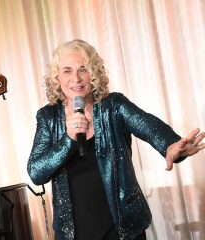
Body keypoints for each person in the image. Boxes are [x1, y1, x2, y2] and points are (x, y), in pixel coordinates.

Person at [27, 39, 205, 240]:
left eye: (83, 69)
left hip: (123, 228)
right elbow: (36, 172)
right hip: (75, 233)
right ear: (57, 77)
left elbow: (148, 126)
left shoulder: (113, 106)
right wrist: (68, 140)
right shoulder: (48, 117)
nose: (75, 78)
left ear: (93, 74)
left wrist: (171, 145)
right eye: (67, 70)